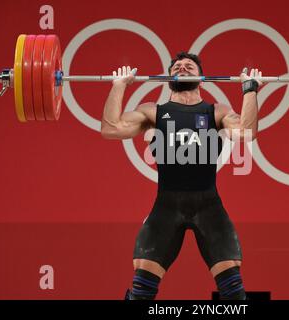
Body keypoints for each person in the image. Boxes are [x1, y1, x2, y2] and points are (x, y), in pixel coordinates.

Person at [101, 52, 263, 300]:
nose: (183, 68)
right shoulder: (152, 112)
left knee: (234, 293)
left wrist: (250, 91)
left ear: (201, 78)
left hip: (209, 207)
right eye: (178, 66)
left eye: (189, 66)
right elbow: (111, 129)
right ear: (169, 78)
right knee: (140, 292)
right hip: (166, 207)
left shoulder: (217, 112)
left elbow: (247, 133)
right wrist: (119, 86)